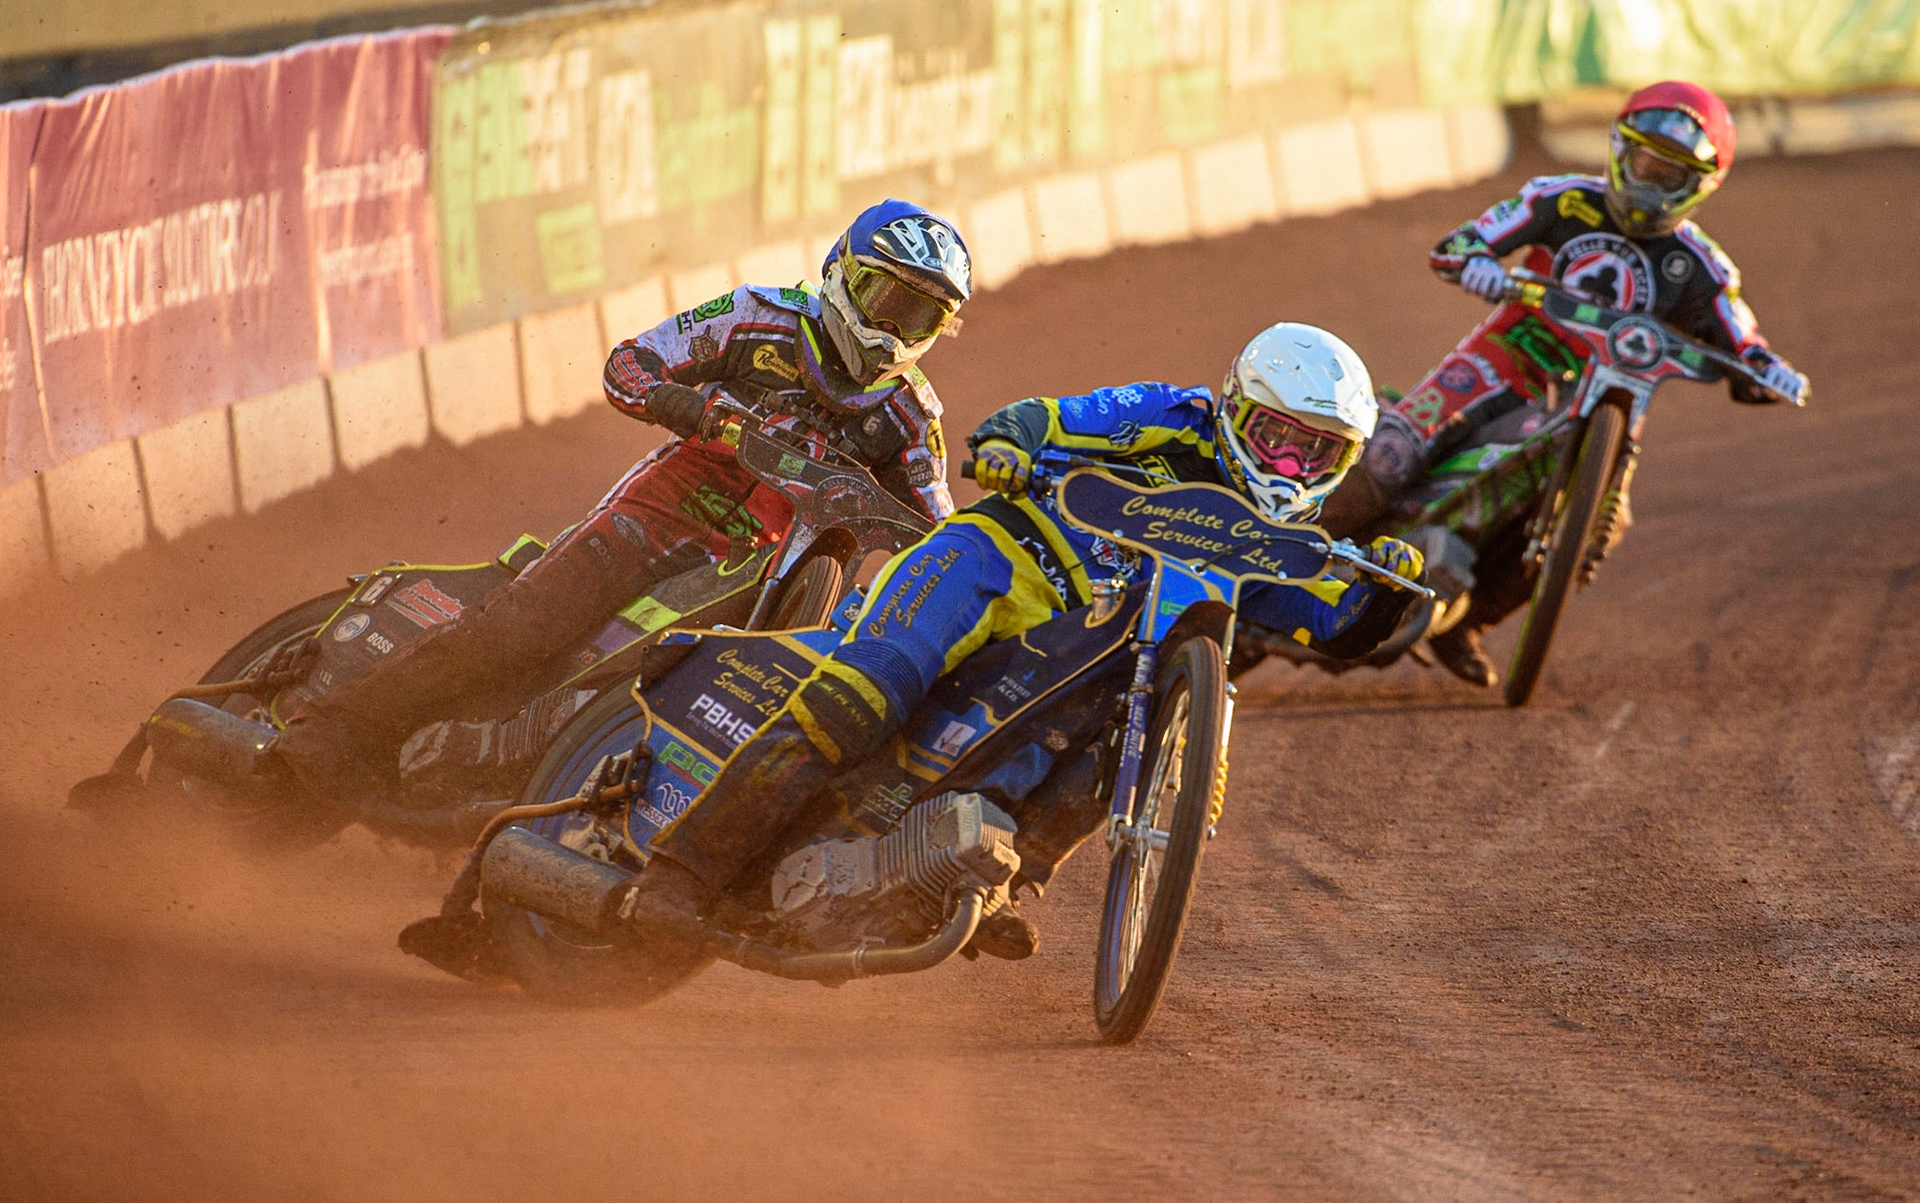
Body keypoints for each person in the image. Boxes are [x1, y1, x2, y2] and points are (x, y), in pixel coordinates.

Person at [622, 322, 1426, 959]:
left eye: (1317, 452)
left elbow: (1335, 626)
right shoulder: (1170, 415)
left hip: (1075, 639)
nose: (1289, 464)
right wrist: (1009, 444)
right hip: (996, 561)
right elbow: (1049, 417)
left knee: (1121, 730)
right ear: (1234, 406)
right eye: (1276, 435)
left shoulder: (1278, 542)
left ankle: (990, 877)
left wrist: (1384, 590)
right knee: (858, 700)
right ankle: (679, 873)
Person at [275, 199, 971, 798]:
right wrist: (684, 405)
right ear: (843, 274)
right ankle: (330, 730)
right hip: (663, 511)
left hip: (763, 572)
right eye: (889, 300)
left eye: (921, 316)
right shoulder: (759, 316)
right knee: (520, 627)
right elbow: (629, 363)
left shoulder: (912, 416)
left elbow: (942, 534)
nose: (896, 329)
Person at [1320, 80, 1810, 688]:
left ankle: (1467, 621)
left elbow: (1743, 338)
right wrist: (1477, 264)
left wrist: (1766, 369)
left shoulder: (1701, 267)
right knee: (1393, 454)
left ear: (1701, 185)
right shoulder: (1561, 200)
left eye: (1669, 174)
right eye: (1645, 164)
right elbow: (1459, 245)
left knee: (1603, 524)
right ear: (1620, 150)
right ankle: (1281, 554)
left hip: (1602, 399)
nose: (1650, 184)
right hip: (1504, 358)